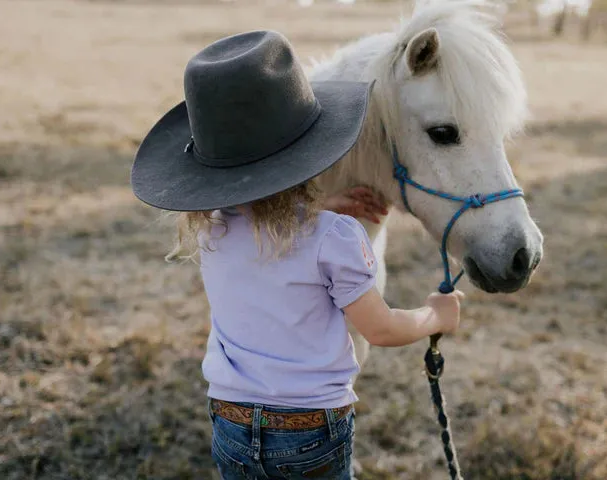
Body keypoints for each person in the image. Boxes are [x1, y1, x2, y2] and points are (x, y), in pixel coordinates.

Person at [130, 30, 463, 480]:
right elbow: (380, 330)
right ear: (313, 148)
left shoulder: (211, 227)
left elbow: (261, 226)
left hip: (229, 424)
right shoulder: (334, 237)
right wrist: (435, 316)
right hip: (308, 433)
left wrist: (316, 209)